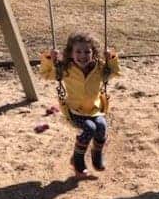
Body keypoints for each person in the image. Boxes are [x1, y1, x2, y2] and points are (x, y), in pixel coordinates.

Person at [39, 31, 120, 177]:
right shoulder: (65, 69)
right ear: (70, 53)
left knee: (101, 126)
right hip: (74, 111)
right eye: (78, 51)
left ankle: (97, 155)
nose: (83, 55)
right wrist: (51, 58)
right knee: (90, 128)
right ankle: (77, 161)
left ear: (94, 53)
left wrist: (111, 58)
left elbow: (113, 72)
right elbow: (45, 74)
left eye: (87, 51)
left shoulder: (100, 67)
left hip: (95, 109)